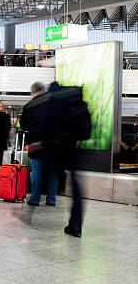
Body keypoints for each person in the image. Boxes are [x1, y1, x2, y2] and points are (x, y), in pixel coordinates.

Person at [46, 82, 91, 237]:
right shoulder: (77, 102)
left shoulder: (54, 101)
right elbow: (86, 132)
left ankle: (51, 196)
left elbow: (47, 125)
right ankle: (76, 225)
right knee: (76, 185)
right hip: (74, 147)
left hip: (58, 146)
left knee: (50, 173)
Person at [21, 82, 58, 206]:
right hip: (52, 144)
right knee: (53, 172)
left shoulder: (29, 106)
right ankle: (51, 199)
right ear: (44, 91)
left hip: (35, 143)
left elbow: (23, 125)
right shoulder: (54, 103)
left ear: (32, 92)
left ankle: (35, 199)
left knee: (36, 172)